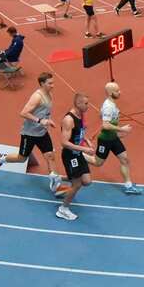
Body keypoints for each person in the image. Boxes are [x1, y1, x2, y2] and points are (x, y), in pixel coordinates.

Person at [0, 72, 65, 195]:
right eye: (50, 83)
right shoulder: (37, 97)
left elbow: (42, 112)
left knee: (50, 156)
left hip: (42, 132)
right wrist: (40, 121)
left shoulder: (49, 94)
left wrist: (48, 119)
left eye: (53, 83)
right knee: (21, 158)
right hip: (29, 134)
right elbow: (23, 113)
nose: (53, 85)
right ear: (42, 84)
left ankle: (57, 186)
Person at [89, 81, 142, 194]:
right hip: (105, 140)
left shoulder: (111, 104)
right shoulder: (108, 106)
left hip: (113, 138)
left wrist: (117, 131)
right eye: (117, 91)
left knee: (125, 159)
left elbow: (105, 118)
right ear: (110, 93)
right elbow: (105, 125)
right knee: (97, 163)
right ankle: (79, 154)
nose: (120, 92)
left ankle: (128, 186)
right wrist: (122, 129)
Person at [57, 91, 97, 220]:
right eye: (86, 103)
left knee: (87, 181)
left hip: (78, 153)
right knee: (77, 184)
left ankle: (57, 178)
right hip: (70, 156)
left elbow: (78, 131)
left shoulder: (81, 115)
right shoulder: (68, 120)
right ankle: (63, 209)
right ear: (78, 103)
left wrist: (86, 140)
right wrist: (84, 149)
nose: (88, 106)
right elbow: (64, 142)